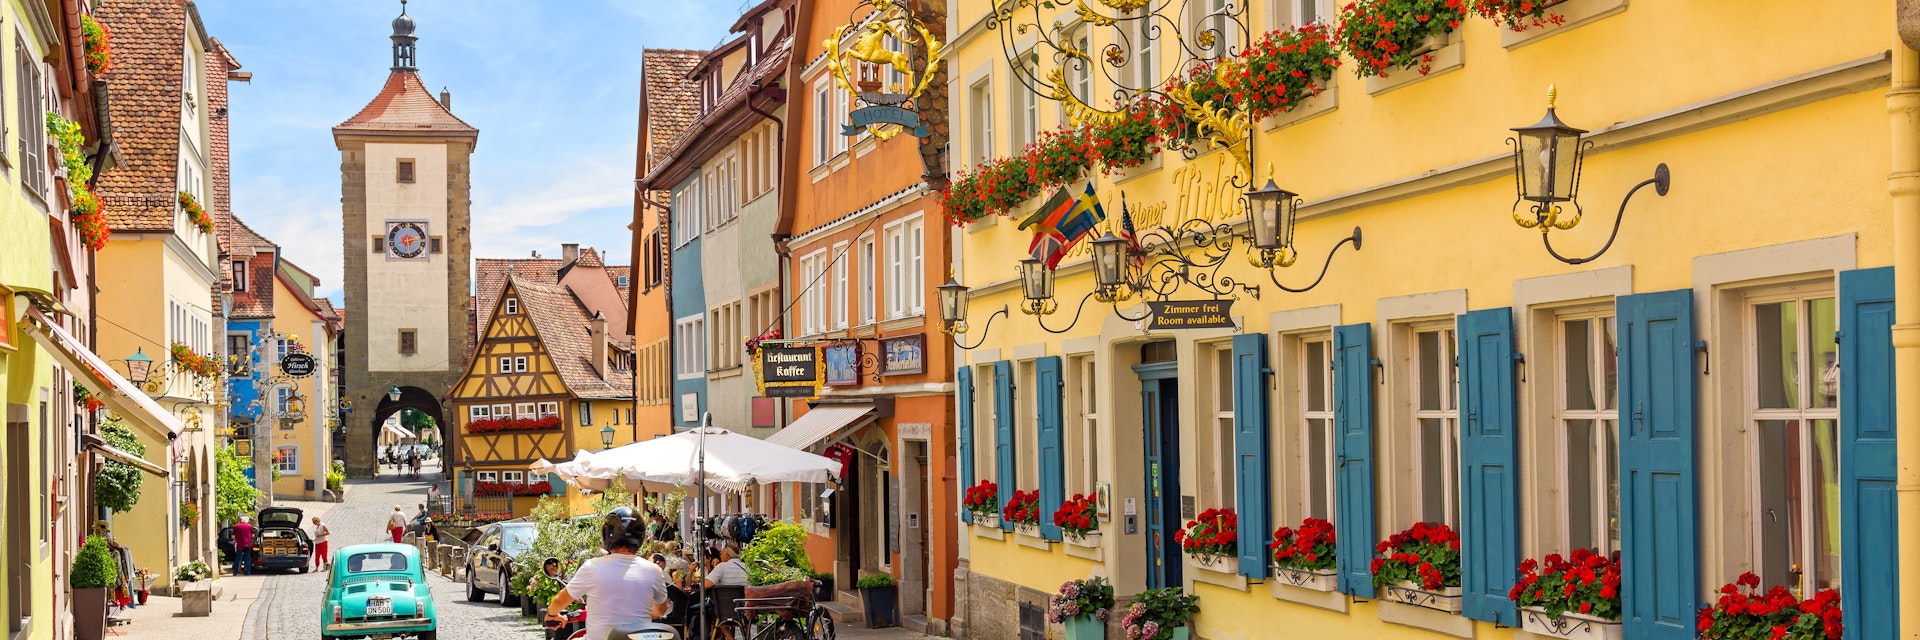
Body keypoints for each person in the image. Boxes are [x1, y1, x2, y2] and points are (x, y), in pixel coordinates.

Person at [545, 507, 669, 640]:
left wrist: (551, 616)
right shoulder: (654, 570)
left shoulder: (592, 567)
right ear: (640, 536)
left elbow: (559, 601)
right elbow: (660, 610)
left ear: (606, 535)